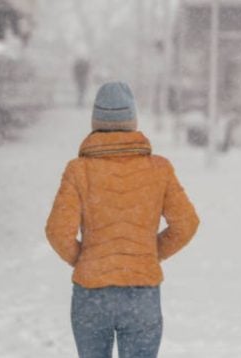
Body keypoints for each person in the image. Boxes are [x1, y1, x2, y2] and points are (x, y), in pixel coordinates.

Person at [45, 82, 199, 358]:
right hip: (141, 294)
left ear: (96, 121)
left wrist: (86, 259)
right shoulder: (159, 169)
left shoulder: (78, 171)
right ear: (132, 121)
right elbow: (186, 224)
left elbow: (58, 232)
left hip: (91, 296)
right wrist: (149, 253)